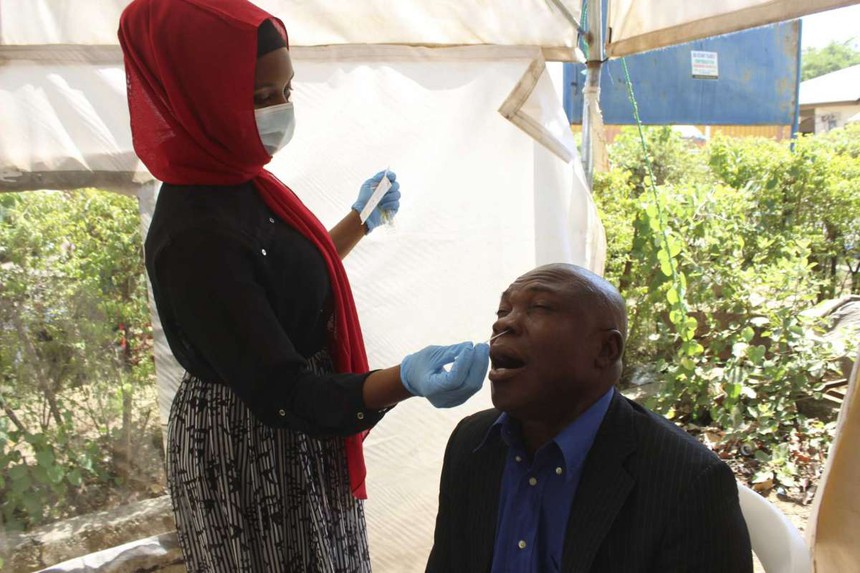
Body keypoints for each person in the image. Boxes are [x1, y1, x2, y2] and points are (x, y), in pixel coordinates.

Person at [118, 1, 489, 571]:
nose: (280, 111)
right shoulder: (194, 237)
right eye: (260, 97)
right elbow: (284, 390)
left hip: (294, 429)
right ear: (200, 98)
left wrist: (358, 222)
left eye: (286, 91)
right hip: (253, 443)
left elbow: (277, 284)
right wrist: (405, 380)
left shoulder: (238, 181)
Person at [427, 263, 753, 573]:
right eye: (503, 311)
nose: (504, 324)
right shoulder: (472, 442)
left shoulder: (688, 481)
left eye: (539, 308)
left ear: (606, 350)